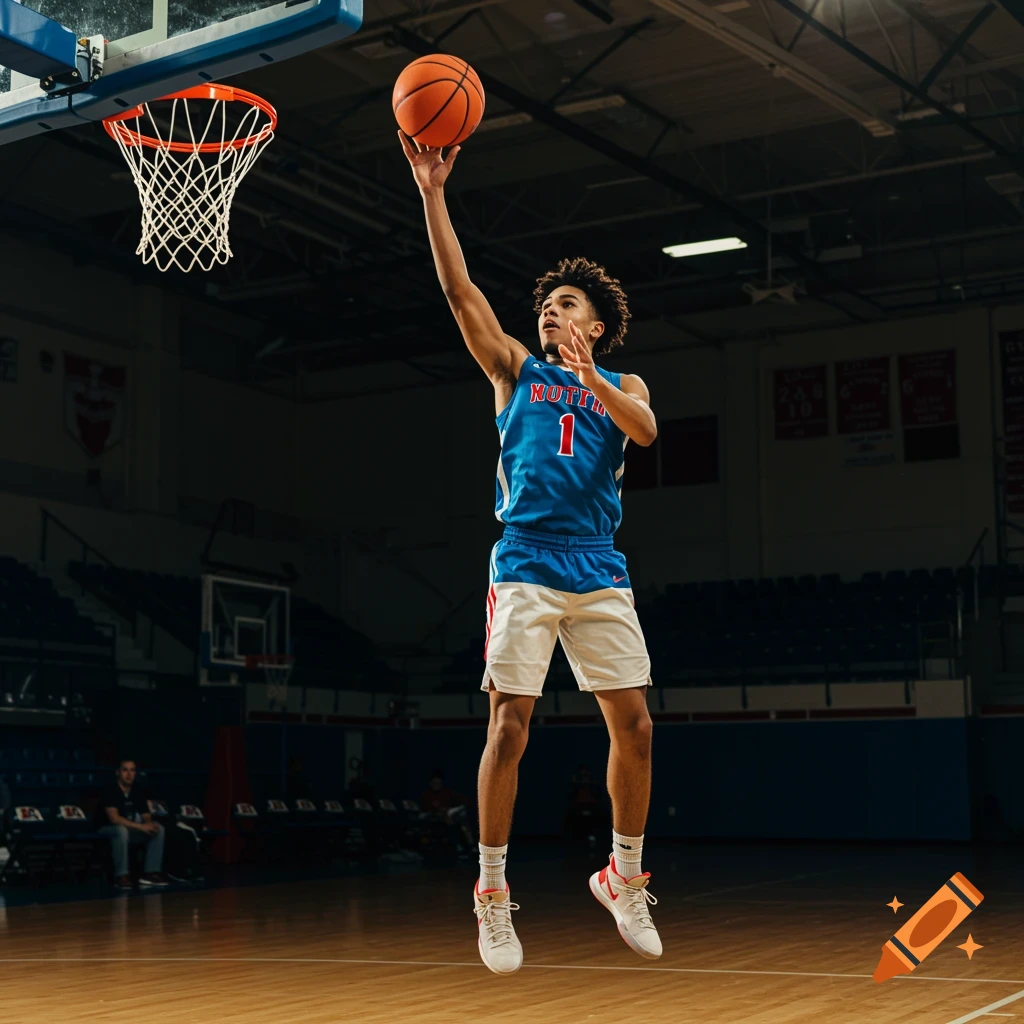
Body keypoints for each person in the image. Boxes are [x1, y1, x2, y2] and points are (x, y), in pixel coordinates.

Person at [401, 133, 662, 976]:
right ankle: (491, 895)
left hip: (597, 563)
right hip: (524, 559)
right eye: (546, 303)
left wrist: (594, 382)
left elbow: (647, 433)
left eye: (568, 304)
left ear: (599, 323)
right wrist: (433, 192)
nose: (551, 311)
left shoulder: (625, 387)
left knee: (637, 725)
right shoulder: (513, 370)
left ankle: (623, 876)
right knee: (508, 726)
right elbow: (458, 290)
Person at [96, 758, 169, 889]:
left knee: (158, 829)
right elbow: (114, 819)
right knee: (120, 830)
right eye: (125, 770)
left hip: (129, 829)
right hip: (105, 829)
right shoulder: (110, 788)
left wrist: (148, 824)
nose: (129, 774)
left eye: (132, 770)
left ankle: (150, 873)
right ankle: (121, 876)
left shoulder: (137, 789)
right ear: (118, 772)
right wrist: (141, 826)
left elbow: (146, 815)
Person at [420, 770, 474, 851]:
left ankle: (469, 846)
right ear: (430, 783)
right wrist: (440, 811)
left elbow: (464, 800)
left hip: (450, 817)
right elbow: (426, 808)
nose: (436, 785)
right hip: (435, 817)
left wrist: (448, 811)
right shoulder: (426, 795)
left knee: (462, 818)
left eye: (438, 782)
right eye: (434, 782)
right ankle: (456, 846)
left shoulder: (447, 792)